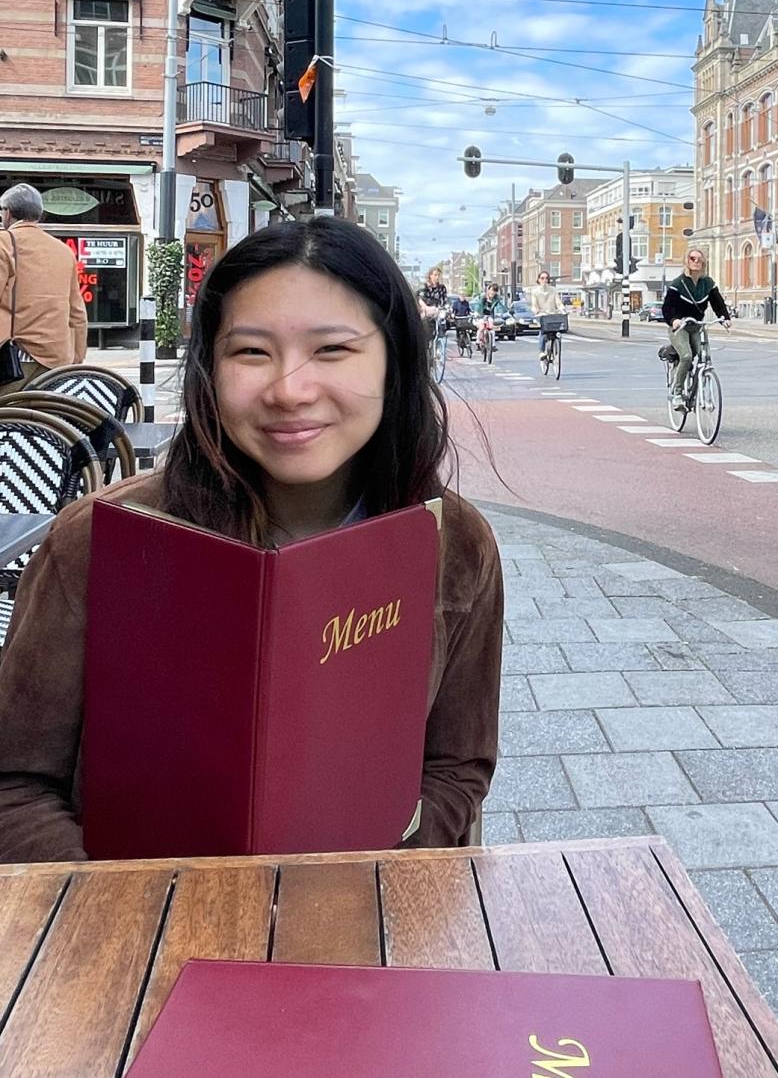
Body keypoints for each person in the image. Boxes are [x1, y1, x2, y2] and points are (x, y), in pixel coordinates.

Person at [0, 217, 503, 863]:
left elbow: (458, 766)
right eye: (251, 352)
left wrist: (367, 866)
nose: (290, 389)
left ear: (393, 362)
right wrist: (141, 906)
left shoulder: (456, 547)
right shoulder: (94, 543)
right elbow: (16, 786)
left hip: (355, 925)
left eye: (333, 350)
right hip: (141, 937)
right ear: (209, 368)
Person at [0, 183, 88, 395]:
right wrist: (75, 359)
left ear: (8, 213)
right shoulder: (63, 250)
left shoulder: (4, 242)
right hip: (55, 363)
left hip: (12, 360)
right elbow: (77, 313)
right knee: (43, 423)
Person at [661, 247, 731, 409]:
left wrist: (725, 319)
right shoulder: (678, 284)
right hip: (681, 327)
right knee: (686, 356)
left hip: (697, 325)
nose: (696, 262)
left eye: (699, 259)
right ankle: (677, 393)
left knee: (704, 357)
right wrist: (674, 320)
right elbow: (667, 307)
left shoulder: (707, 283)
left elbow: (717, 303)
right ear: (687, 261)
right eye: (692, 258)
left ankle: (702, 393)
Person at [528, 270, 564, 364]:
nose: (544, 280)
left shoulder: (553, 290)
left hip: (552, 314)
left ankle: (554, 349)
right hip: (542, 315)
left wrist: (562, 309)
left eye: (546, 278)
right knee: (543, 333)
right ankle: (541, 351)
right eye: (542, 278)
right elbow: (534, 304)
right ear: (538, 280)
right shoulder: (535, 291)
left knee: (557, 332)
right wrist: (536, 310)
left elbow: (558, 302)